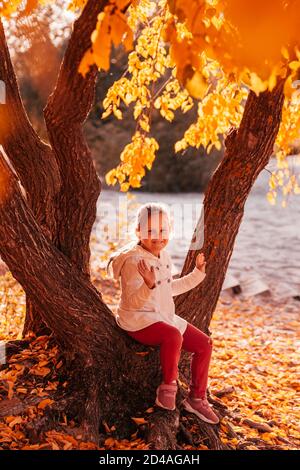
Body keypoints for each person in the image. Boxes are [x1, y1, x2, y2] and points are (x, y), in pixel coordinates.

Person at [107, 202, 219, 424]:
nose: (157, 236)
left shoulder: (163, 256)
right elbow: (133, 300)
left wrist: (197, 274)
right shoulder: (134, 261)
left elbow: (169, 288)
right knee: (172, 335)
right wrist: (147, 285)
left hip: (162, 316)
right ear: (138, 232)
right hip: (138, 319)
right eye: (149, 231)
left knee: (204, 344)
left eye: (162, 230)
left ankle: (196, 398)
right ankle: (168, 388)